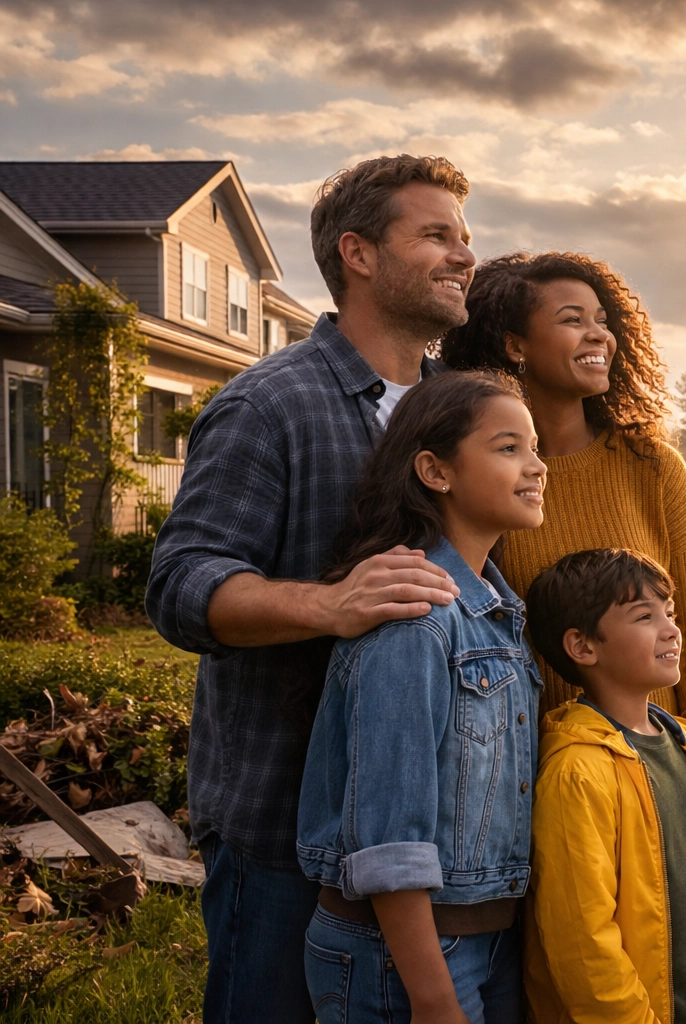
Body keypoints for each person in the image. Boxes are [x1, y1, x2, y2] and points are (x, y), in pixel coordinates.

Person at [145, 154, 474, 1024]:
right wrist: (329, 605)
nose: (463, 255)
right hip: (284, 829)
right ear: (358, 254)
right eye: (436, 235)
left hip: (432, 828)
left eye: (464, 236)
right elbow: (182, 584)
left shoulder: (461, 411)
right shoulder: (269, 405)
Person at [440, 253, 686, 836]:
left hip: (657, 765)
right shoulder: (485, 477)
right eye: (573, 319)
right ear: (515, 344)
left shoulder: (652, 466)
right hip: (530, 775)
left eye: (602, 319)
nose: (599, 333)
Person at [298, 371, 545, 1024]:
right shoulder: (417, 620)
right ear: (436, 471)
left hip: (487, 939)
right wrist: (433, 998)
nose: (537, 466)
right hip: (405, 957)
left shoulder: (494, 612)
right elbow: (389, 837)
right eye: (509, 448)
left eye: (535, 447)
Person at [521, 548, 686, 1024]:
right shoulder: (577, 772)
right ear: (583, 647)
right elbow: (582, 939)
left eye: (669, 613)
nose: (671, 629)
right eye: (645, 616)